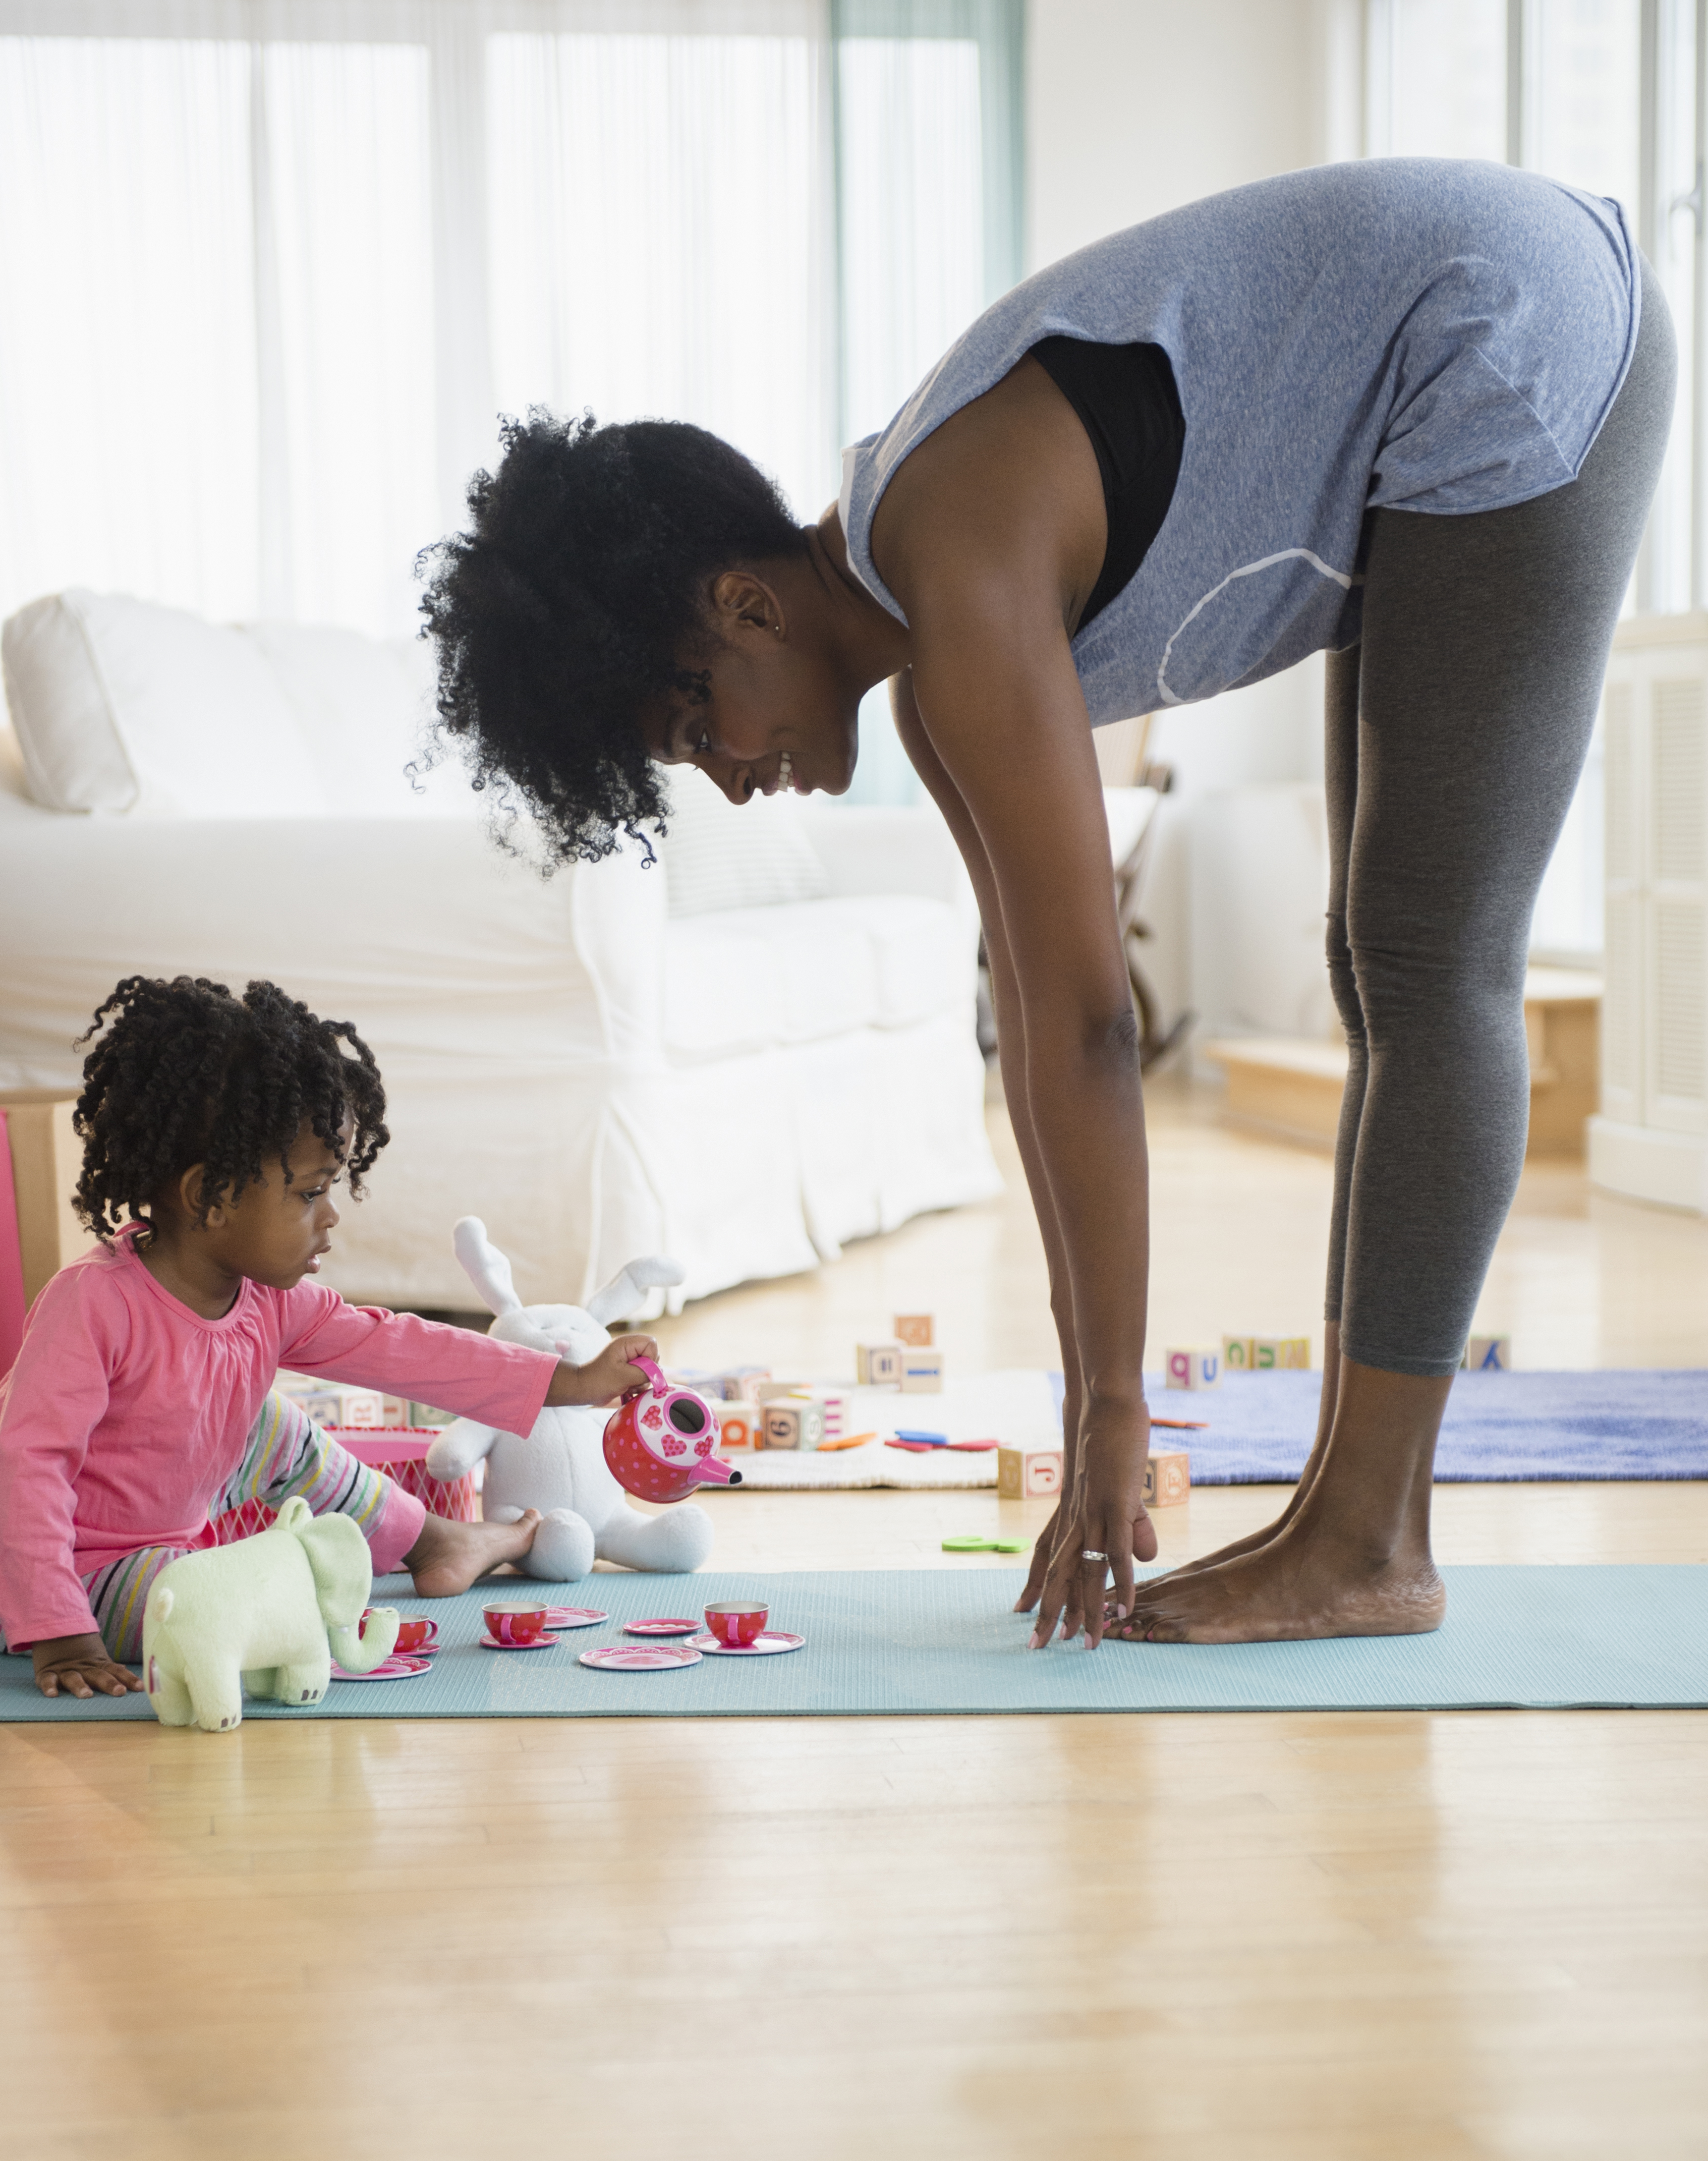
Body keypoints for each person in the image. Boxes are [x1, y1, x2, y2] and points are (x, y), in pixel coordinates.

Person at [417, 157, 1675, 1650]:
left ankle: (1369, 1541)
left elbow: (1092, 1031)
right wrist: (1095, 1411)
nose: (731, 780)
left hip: (1517, 327)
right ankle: (1348, 1523)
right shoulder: (927, 647)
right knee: (1375, 963)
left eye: (701, 736)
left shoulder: (953, 562)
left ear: (745, 609)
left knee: (1428, 963)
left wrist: (1112, 1413)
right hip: (1445, 356)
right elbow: (1031, 1021)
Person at [0, 976, 656, 1699]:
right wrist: (59, 1633)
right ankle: (249, 1587)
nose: (330, 1217)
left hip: (165, 1533)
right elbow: (27, 1473)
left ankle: (432, 1540)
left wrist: (566, 1383)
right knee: (232, 1597)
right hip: (60, 1579)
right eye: (307, 1193)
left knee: (270, 1426)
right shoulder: (91, 1305)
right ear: (207, 1196)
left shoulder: (269, 1299)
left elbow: (404, 1348)